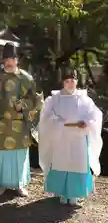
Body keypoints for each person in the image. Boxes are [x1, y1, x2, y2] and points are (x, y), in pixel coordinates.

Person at [0, 43, 42, 197]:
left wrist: (25, 104)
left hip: (20, 123)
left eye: (12, 58)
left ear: (17, 60)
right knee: (3, 156)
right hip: (1, 124)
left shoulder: (26, 78)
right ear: (3, 61)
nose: (9, 61)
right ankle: (2, 183)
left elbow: (37, 100)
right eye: (6, 58)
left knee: (20, 155)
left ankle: (19, 184)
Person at [38, 69, 103, 205]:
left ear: (76, 81)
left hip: (79, 138)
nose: (70, 84)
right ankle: (62, 192)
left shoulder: (85, 99)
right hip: (60, 137)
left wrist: (87, 123)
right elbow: (46, 116)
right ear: (63, 82)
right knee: (61, 163)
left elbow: (95, 115)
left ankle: (74, 194)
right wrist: (59, 123)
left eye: (72, 81)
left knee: (77, 164)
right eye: (67, 81)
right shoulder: (54, 99)